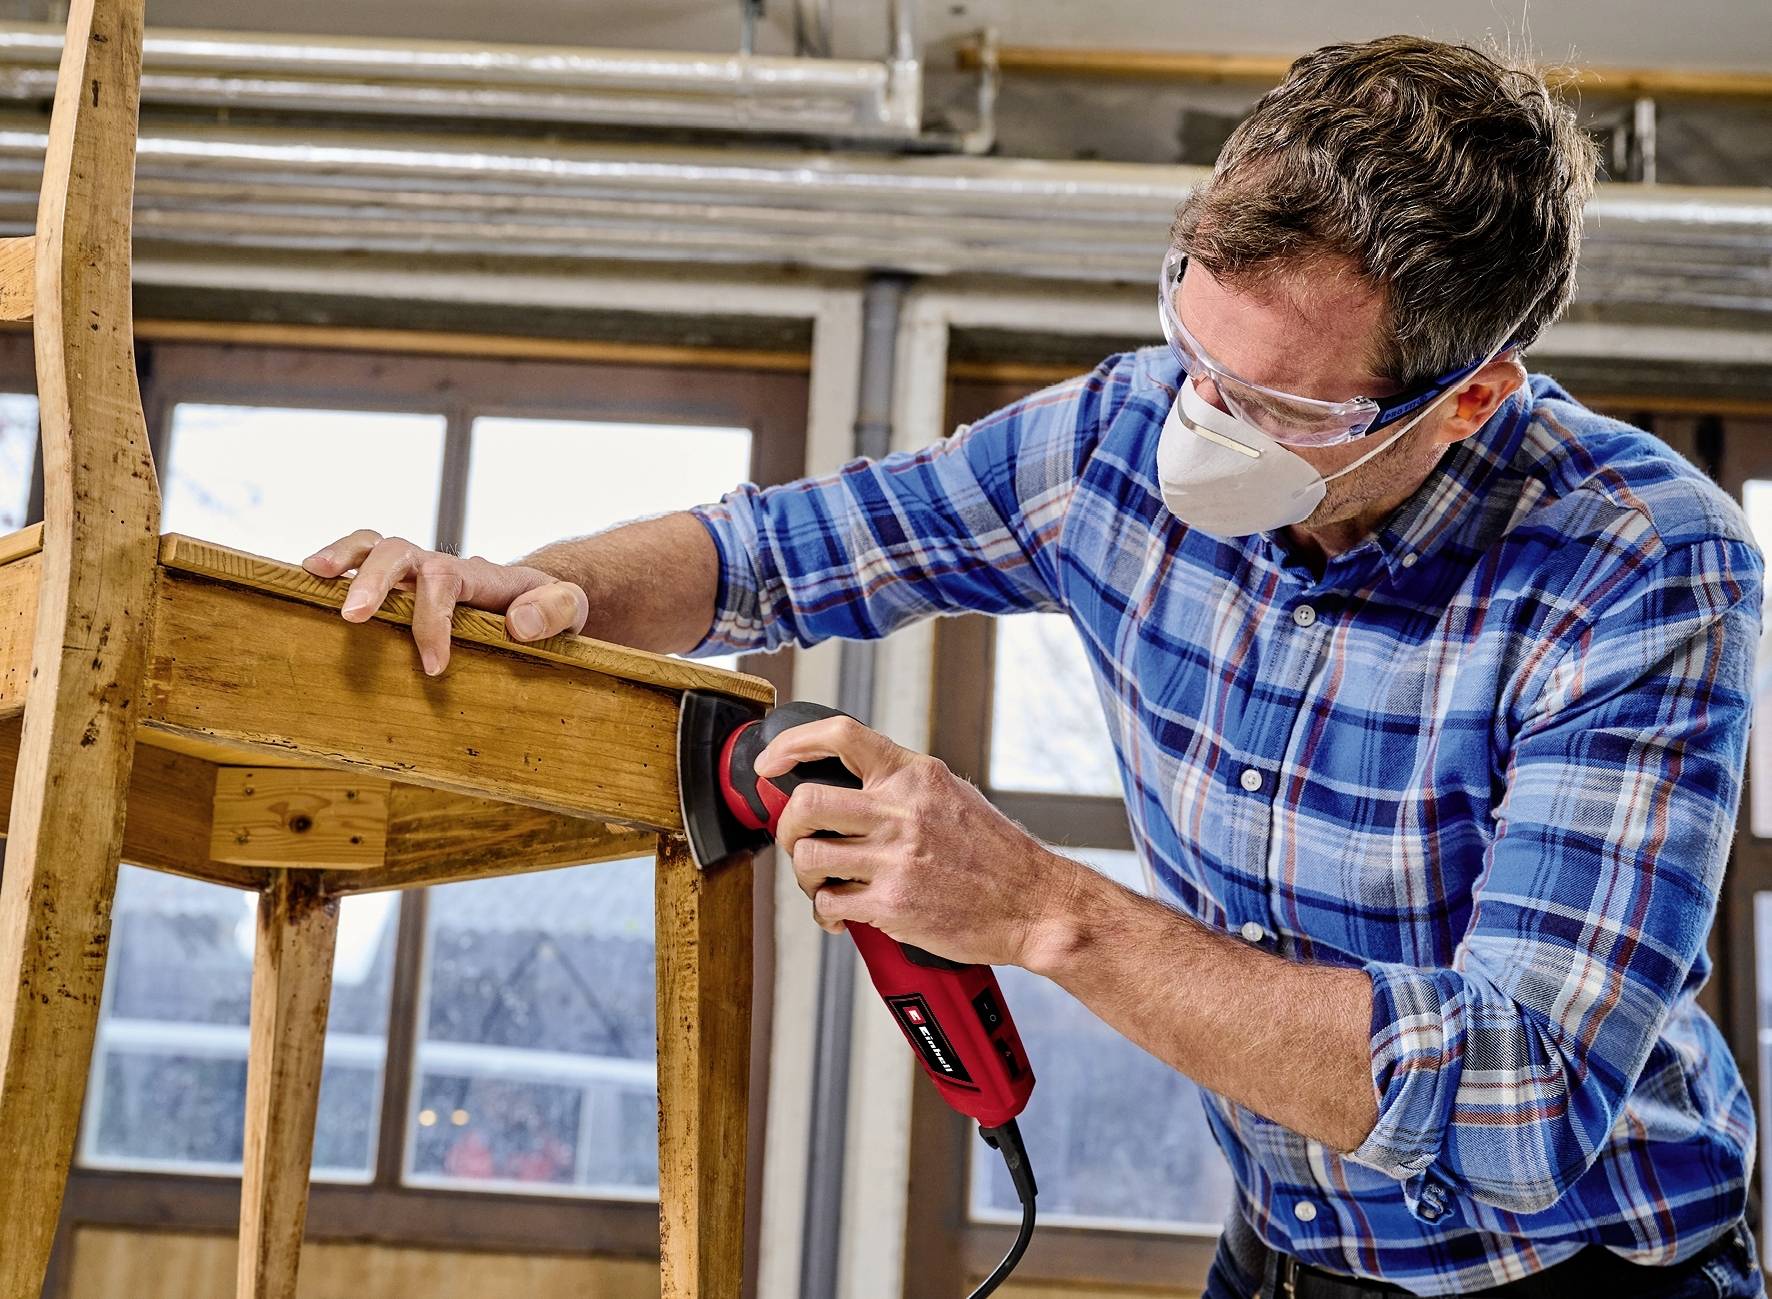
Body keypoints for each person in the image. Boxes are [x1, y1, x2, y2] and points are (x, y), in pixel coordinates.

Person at [304, 35, 1766, 1299]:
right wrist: (545, 587)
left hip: (1584, 1268)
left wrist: (1043, 911)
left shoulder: (1639, 565)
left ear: (1469, 402)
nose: (1198, 424)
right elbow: (777, 554)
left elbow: (1520, 1097)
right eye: (1193, 347)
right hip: (1285, 1248)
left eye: (1274, 408)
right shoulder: (1114, 439)